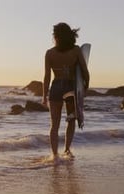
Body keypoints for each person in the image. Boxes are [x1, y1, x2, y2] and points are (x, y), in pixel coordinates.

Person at [42, 22, 90, 159]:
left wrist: (44, 96)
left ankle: (54, 155)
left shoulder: (49, 53)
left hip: (56, 87)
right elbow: (84, 71)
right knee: (71, 120)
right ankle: (67, 150)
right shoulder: (75, 50)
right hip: (70, 88)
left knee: (54, 125)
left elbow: (46, 76)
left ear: (56, 36)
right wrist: (85, 88)